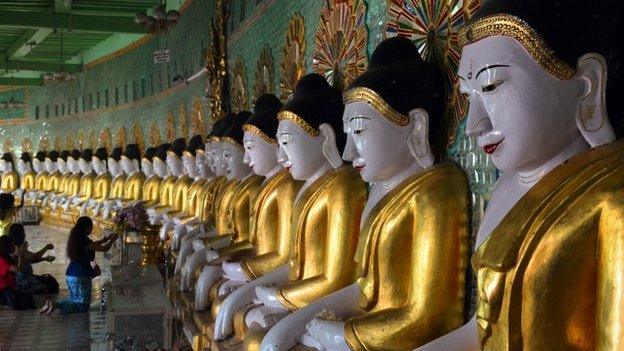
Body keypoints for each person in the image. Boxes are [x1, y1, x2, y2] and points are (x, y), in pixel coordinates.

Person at [39, 217, 117, 315]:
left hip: (71, 275)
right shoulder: (85, 241)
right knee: (83, 306)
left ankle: (51, 303)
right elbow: (105, 248)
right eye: (91, 227)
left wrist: (105, 239)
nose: (92, 229)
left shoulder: (76, 239)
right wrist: (113, 239)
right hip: (81, 276)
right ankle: (56, 305)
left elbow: (93, 245)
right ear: (87, 228)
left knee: (74, 300)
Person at [8, 223, 58, 295]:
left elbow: (29, 260)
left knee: (50, 281)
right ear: (19, 234)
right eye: (23, 232)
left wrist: (44, 259)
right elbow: (34, 256)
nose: (25, 235)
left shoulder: (17, 246)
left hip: (27, 278)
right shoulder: (17, 249)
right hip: (21, 281)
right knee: (51, 285)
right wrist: (46, 248)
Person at [0, 235, 36, 310]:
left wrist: (21, 255)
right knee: (24, 303)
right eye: (12, 246)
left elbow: (20, 269)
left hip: (9, 289)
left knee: (29, 299)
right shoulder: (1, 259)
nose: (14, 247)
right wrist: (20, 255)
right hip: (3, 292)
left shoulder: (7, 257)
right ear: (6, 247)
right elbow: (18, 270)